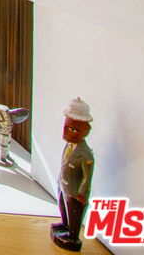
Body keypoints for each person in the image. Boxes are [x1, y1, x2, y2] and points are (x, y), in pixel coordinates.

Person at [52, 98, 95, 252]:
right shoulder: (69, 145)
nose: (66, 133)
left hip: (75, 191)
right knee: (63, 207)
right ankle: (64, 224)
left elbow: (87, 177)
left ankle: (72, 234)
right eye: (66, 127)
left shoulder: (85, 155)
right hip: (64, 185)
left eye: (73, 129)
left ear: (85, 130)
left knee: (74, 213)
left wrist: (83, 194)